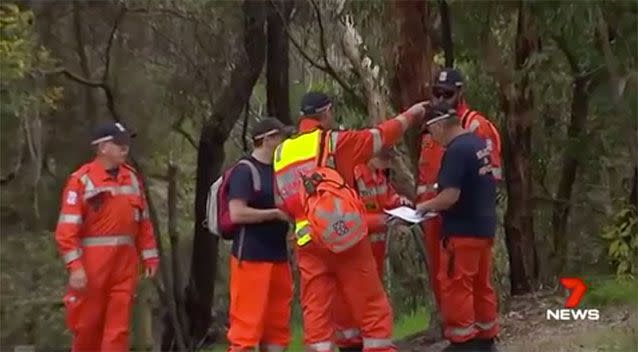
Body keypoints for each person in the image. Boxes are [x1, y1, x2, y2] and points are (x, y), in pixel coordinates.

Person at [273, 91, 428, 352]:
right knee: (372, 312)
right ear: (325, 112)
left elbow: (281, 202)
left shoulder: (281, 153)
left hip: (308, 242)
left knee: (318, 321)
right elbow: (378, 136)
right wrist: (413, 113)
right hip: (343, 237)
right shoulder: (333, 142)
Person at [54, 121, 159, 351]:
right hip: (93, 267)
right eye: (119, 143)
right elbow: (66, 230)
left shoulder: (132, 178)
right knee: (87, 328)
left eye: (126, 143)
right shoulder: (81, 180)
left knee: (118, 331)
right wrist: (75, 266)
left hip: (124, 265)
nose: (125, 148)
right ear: (102, 148)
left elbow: (144, 222)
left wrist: (149, 256)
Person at [416, 68, 502, 318]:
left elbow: (490, 176)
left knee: (463, 280)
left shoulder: (474, 126)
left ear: (460, 93)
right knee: (443, 277)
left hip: (461, 214)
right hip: (432, 214)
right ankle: (455, 327)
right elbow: (424, 173)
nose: (441, 98)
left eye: (447, 93)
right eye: (436, 93)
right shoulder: (432, 125)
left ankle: (467, 335)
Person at [225, 117, 294, 352]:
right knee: (246, 328)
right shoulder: (245, 171)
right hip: (251, 257)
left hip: (278, 256)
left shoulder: (278, 170)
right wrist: (274, 214)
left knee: (277, 327)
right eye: (280, 137)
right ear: (267, 140)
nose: (284, 142)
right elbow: (237, 213)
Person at [333, 147, 412, 351]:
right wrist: (382, 220)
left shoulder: (378, 175)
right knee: (352, 301)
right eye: (384, 161)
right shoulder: (353, 176)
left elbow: (387, 198)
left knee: (369, 301)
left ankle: (366, 339)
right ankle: (351, 342)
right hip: (356, 249)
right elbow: (349, 220)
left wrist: (398, 203)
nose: (387, 166)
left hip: (375, 249)